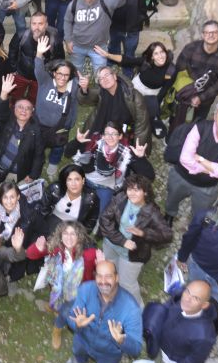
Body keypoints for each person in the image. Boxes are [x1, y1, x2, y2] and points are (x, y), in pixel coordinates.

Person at [25, 221, 102, 350]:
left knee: (65, 311)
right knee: (55, 298)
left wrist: (101, 265)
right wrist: (37, 248)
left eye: (73, 234)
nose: (69, 237)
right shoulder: (56, 247)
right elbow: (30, 254)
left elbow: (106, 276)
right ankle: (53, 307)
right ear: (60, 235)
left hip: (77, 292)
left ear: (80, 236)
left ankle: (57, 328)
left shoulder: (90, 253)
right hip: (57, 286)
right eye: (65, 233)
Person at [165, 102, 218, 223]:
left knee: (200, 213)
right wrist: (215, 168)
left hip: (207, 187)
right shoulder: (200, 127)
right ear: (215, 115)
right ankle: (169, 214)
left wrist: (202, 160)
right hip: (182, 176)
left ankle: (194, 226)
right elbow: (185, 159)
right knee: (172, 197)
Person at [99, 174, 172, 307]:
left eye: (137, 190)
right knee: (111, 271)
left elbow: (167, 235)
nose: (131, 193)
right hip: (111, 244)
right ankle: (112, 296)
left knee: (127, 284)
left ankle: (139, 310)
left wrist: (144, 233)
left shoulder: (151, 212)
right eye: (129, 189)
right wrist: (122, 241)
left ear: (145, 192)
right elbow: (105, 219)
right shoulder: (121, 198)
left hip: (132, 255)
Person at [64, 261, 143, 363]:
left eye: (108, 276)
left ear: (117, 278)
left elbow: (136, 349)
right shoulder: (86, 288)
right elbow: (71, 317)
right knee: (78, 354)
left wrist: (121, 340)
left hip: (109, 354)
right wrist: (77, 325)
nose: (103, 281)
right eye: (99, 276)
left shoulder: (131, 307)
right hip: (82, 341)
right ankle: (78, 360)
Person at [66, 121, 153, 213]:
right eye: (107, 134)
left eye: (114, 134)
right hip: (86, 180)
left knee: (102, 214)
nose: (110, 137)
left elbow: (150, 176)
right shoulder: (93, 144)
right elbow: (67, 153)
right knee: (72, 206)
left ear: (120, 136)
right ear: (102, 136)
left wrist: (140, 158)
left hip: (106, 187)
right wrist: (77, 142)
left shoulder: (126, 153)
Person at [94, 41, 174, 138]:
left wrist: (155, 104)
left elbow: (164, 90)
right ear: (152, 56)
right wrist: (108, 55)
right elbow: (126, 60)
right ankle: (126, 125)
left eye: (162, 52)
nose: (160, 56)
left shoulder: (171, 70)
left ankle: (145, 125)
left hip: (153, 93)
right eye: (156, 53)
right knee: (128, 108)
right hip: (137, 86)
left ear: (166, 52)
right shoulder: (146, 61)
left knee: (146, 112)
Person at [0, 180, 46, 288]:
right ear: (0, 198)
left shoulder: (29, 214)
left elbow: (41, 229)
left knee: (16, 263)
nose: (8, 201)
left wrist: (31, 246)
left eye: (12, 197)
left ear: (18, 197)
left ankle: (11, 276)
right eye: (5, 197)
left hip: (17, 246)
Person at [170, 20, 218, 130]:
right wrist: (187, 92)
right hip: (186, 93)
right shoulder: (191, 48)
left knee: (197, 124)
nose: (211, 35)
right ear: (202, 35)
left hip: (206, 98)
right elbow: (180, 69)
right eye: (207, 32)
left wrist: (201, 98)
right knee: (177, 120)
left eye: (214, 32)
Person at [100, 0, 160, 74]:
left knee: (130, 50)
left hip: (134, 27)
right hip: (115, 25)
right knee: (113, 45)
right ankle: (113, 60)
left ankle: (127, 68)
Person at [0, 74, 46, 184]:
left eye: (28, 108)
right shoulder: (7, 122)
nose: (24, 111)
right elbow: (2, 110)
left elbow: (39, 155)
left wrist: (33, 174)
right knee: (3, 188)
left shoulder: (36, 131)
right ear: (14, 109)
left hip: (18, 172)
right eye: (20, 107)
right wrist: (4, 93)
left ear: (32, 112)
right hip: (1, 164)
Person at [146, 280, 218, 363]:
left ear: (204, 305)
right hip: (160, 345)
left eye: (196, 298)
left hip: (171, 361)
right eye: (187, 291)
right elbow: (167, 306)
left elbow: (193, 362)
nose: (187, 299)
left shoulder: (205, 336)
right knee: (157, 360)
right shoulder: (181, 296)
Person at [63, 0, 127, 75]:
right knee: (76, 72)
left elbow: (119, 2)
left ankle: (102, 89)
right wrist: (68, 40)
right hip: (77, 46)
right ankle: (79, 89)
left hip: (99, 48)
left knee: (101, 74)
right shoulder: (74, 4)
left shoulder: (105, 0)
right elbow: (67, 21)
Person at [32, 37, 78, 176]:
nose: (62, 77)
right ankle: (36, 163)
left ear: (70, 76)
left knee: (58, 148)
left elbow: (86, 97)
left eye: (66, 75)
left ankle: (52, 164)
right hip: (40, 124)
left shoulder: (75, 86)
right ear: (53, 73)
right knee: (37, 148)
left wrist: (86, 88)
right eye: (59, 74)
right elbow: (38, 68)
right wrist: (39, 54)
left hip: (61, 128)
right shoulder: (45, 80)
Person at [78, 65, 152, 148]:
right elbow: (84, 101)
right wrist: (84, 89)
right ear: (100, 84)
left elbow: (142, 125)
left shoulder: (134, 96)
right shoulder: (101, 93)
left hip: (125, 130)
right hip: (103, 128)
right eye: (101, 78)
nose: (105, 79)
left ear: (114, 76)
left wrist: (139, 147)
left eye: (107, 75)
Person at [8, 11, 64, 104]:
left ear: (46, 25)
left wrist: (51, 75)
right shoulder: (21, 35)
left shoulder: (55, 39)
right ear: (30, 24)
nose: (36, 27)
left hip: (40, 78)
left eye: (40, 24)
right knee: (15, 98)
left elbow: (60, 60)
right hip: (21, 74)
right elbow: (12, 51)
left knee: (35, 101)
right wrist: (14, 69)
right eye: (34, 24)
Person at [39, 164, 100, 234]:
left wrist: (82, 235)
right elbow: (43, 208)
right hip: (51, 221)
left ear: (83, 180)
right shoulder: (55, 189)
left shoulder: (91, 198)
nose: (73, 184)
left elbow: (91, 220)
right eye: (69, 179)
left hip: (74, 227)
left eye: (77, 179)